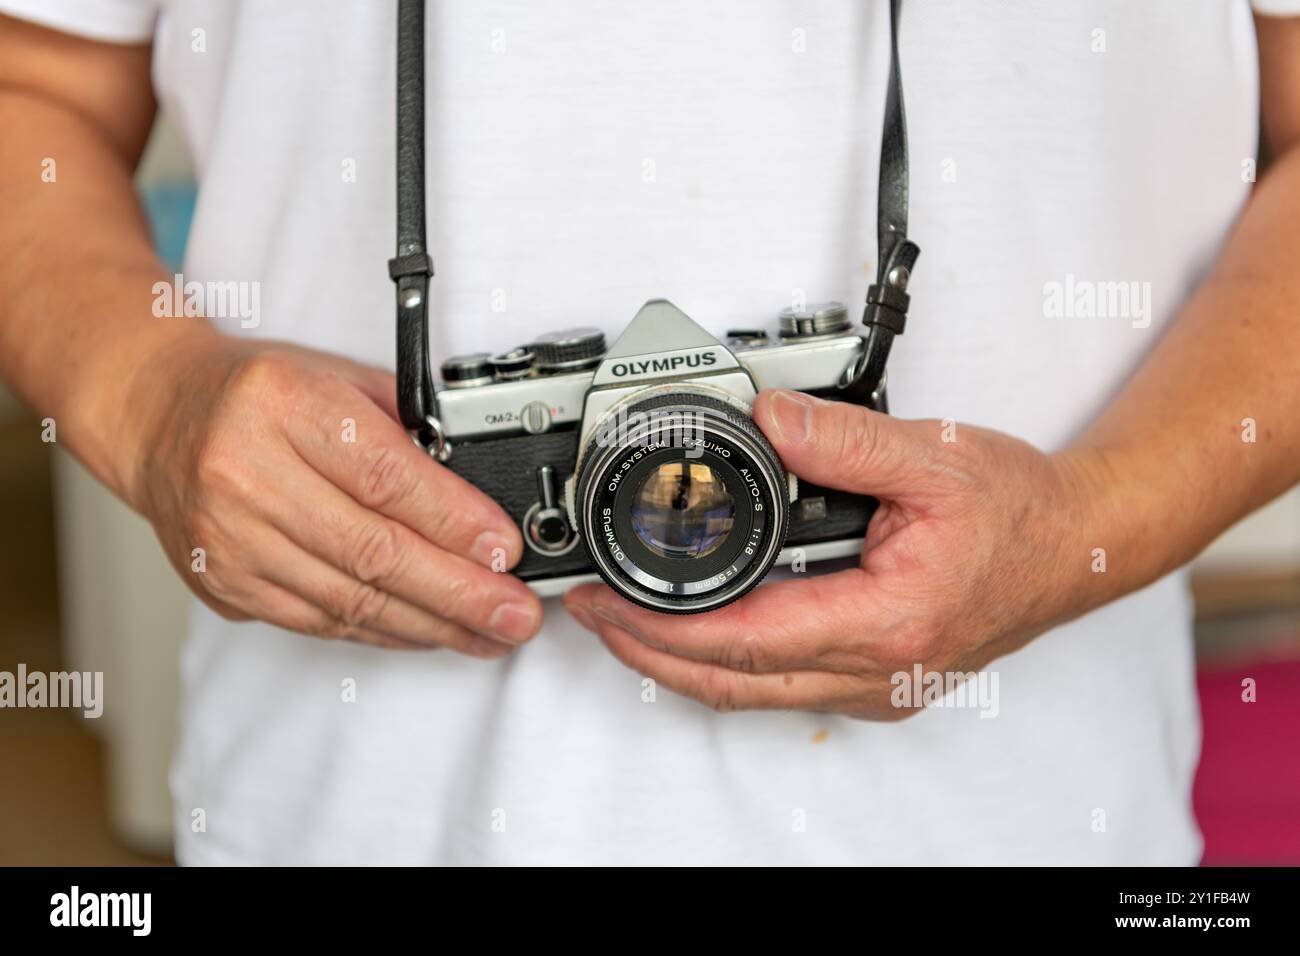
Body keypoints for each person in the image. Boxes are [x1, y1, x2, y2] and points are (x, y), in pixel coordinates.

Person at [1, 0, 1298, 866]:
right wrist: (144, 392)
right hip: (342, 811)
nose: (679, 501)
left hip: (1028, 818)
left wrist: (1090, 521)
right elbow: (33, 84)